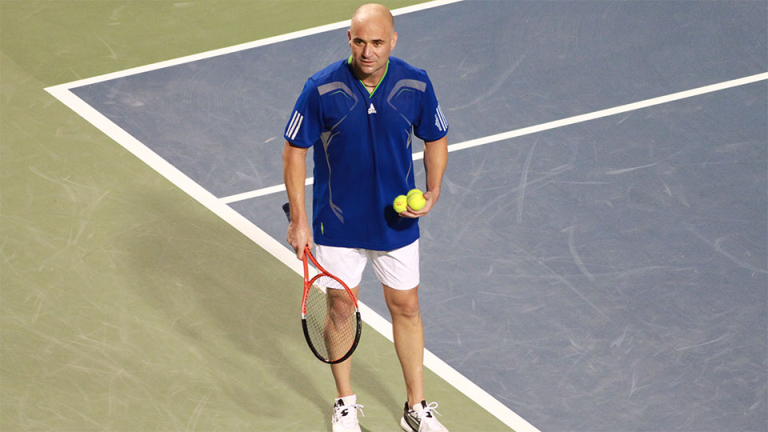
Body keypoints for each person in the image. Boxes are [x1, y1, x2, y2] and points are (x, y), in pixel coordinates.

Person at [282, 4, 449, 432]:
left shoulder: (415, 83)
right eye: (359, 42)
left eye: (377, 42)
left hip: (396, 223)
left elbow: (435, 138)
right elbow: (294, 151)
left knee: (406, 307)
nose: (367, 52)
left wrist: (432, 192)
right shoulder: (321, 88)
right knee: (341, 310)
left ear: (393, 41)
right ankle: (345, 403)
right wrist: (299, 219)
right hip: (338, 223)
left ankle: (416, 407)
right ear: (349, 40)